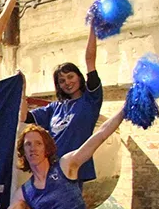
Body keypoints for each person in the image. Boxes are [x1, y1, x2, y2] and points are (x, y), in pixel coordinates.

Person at [25, 23, 102, 184]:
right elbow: (24, 116)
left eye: (70, 77)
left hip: (74, 170)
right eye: (61, 80)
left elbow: (90, 60)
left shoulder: (90, 100)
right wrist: (20, 88)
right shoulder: (54, 108)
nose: (67, 82)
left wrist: (93, 28)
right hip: (51, 170)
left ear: (79, 77)